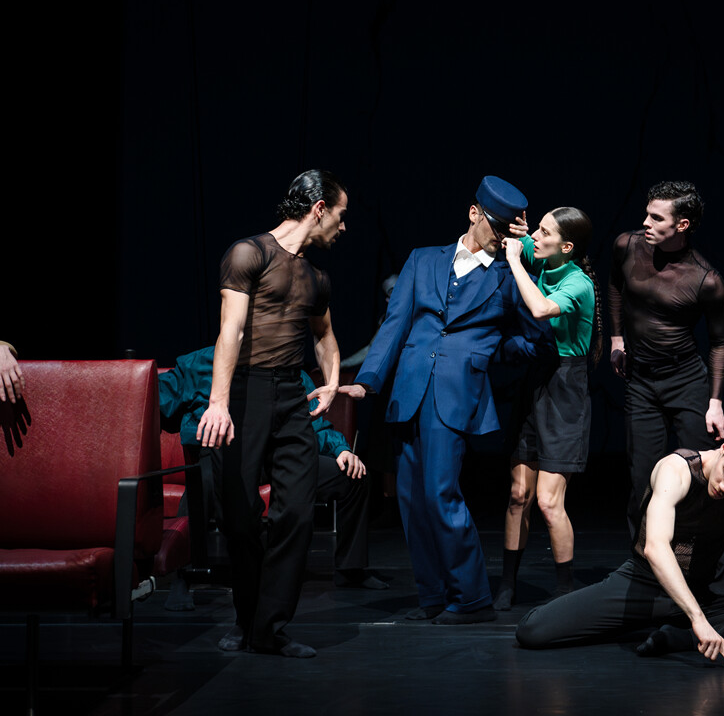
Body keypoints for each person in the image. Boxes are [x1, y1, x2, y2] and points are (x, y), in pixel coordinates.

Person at [343, 175, 555, 625]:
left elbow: (538, 341)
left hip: (456, 393)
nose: (500, 237)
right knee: (410, 499)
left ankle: (471, 598)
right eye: (496, 226)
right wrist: (368, 381)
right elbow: (395, 324)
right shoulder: (423, 260)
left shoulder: (507, 277)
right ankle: (433, 595)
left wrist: (486, 353)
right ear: (474, 213)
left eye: (509, 230)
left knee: (441, 493)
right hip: (409, 389)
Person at [196, 169, 348, 658]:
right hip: (245, 391)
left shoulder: (317, 277)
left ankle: (270, 629)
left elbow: (324, 337)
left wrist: (331, 383)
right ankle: (247, 621)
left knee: (297, 513)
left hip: (291, 396)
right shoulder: (249, 254)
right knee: (240, 519)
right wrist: (218, 402)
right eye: (340, 215)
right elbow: (231, 331)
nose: (343, 227)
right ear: (319, 209)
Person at [515, 432, 724, 669]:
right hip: (644, 586)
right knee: (532, 630)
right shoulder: (676, 470)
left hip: (699, 593)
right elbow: (656, 547)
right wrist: (698, 619)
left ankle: (679, 637)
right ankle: (684, 627)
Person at [158, 346, 387, 602]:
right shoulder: (199, 363)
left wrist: (341, 449)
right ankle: (183, 575)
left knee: (352, 477)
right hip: (222, 454)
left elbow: (313, 423)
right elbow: (154, 398)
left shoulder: (285, 368)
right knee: (201, 484)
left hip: (276, 456)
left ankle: (350, 569)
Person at [493, 207, 602, 609]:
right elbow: (518, 242)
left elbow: (540, 308)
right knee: (518, 493)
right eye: (536, 228)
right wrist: (522, 237)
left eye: (544, 232)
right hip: (534, 380)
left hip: (565, 388)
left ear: (566, 247)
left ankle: (565, 590)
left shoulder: (578, 283)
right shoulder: (543, 257)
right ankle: (507, 583)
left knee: (548, 501)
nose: (535, 237)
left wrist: (514, 261)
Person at [607, 181, 724, 536]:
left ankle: (700, 560)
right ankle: (641, 559)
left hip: (686, 380)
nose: (646, 222)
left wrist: (715, 402)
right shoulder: (627, 245)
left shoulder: (706, 279)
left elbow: (720, 343)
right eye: (647, 213)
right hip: (642, 381)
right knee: (642, 478)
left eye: (657, 218)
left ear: (682, 225)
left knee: (698, 473)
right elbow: (614, 285)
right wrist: (616, 339)